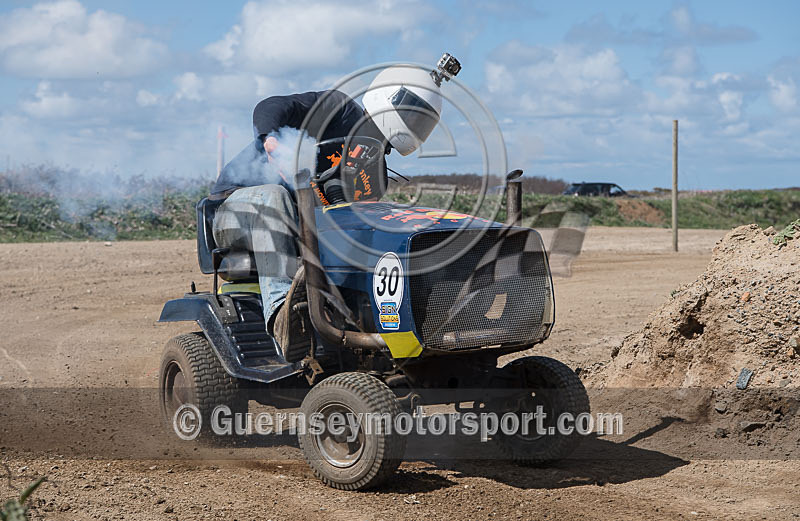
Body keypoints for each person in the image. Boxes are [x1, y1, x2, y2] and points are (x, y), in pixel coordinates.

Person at [210, 56, 459, 355]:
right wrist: (270, 141)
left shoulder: (374, 169)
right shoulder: (337, 111)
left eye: (422, 120)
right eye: (412, 113)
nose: (414, 124)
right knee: (274, 195)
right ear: (388, 97)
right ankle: (282, 316)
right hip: (234, 211)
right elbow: (270, 106)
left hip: (296, 224)